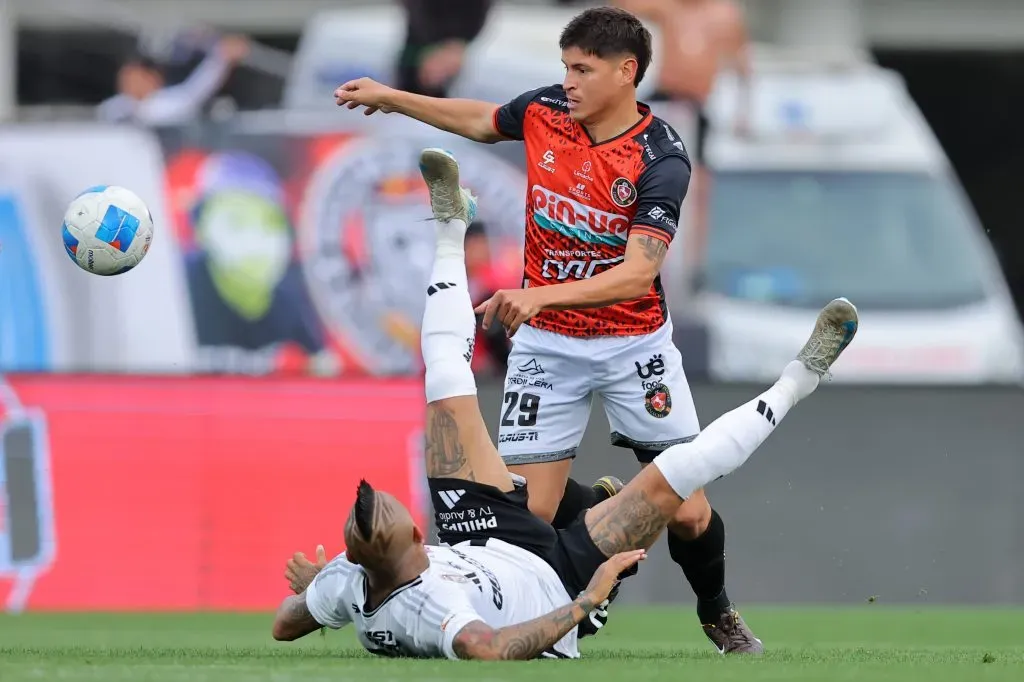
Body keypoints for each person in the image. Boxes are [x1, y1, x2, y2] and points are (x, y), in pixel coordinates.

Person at [270, 148, 860, 660]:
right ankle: (800, 379)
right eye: (378, 515)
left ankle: (451, 227)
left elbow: (283, 626)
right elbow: (491, 649)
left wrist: (314, 592)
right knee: (680, 473)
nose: (380, 502)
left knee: (445, 377)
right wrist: (587, 600)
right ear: (397, 539)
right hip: (555, 576)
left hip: (478, 531)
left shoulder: (350, 581)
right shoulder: (429, 606)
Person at [333, 6, 759, 651]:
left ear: (627, 71)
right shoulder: (546, 112)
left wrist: (540, 295)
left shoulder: (660, 156)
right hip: (550, 348)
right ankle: (576, 588)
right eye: (565, 67)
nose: (571, 81)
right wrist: (393, 99)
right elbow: (482, 119)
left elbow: (638, 274)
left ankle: (716, 610)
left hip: (632, 346)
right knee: (524, 515)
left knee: (689, 511)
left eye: (583, 69)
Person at [616, 0, 752, 283]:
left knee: (698, 183)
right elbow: (623, 8)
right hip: (665, 98)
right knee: (634, 168)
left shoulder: (723, 15)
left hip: (696, 105)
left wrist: (744, 111)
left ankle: (693, 262)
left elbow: (743, 65)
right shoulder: (669, 7)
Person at [96, 35, 250, 126]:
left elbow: (197, 89)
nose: (127, 84)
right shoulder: (114, 107)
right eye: (125, 78)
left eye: (134, 78)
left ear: (153, 79)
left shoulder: (168, 103)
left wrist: (221, 58)